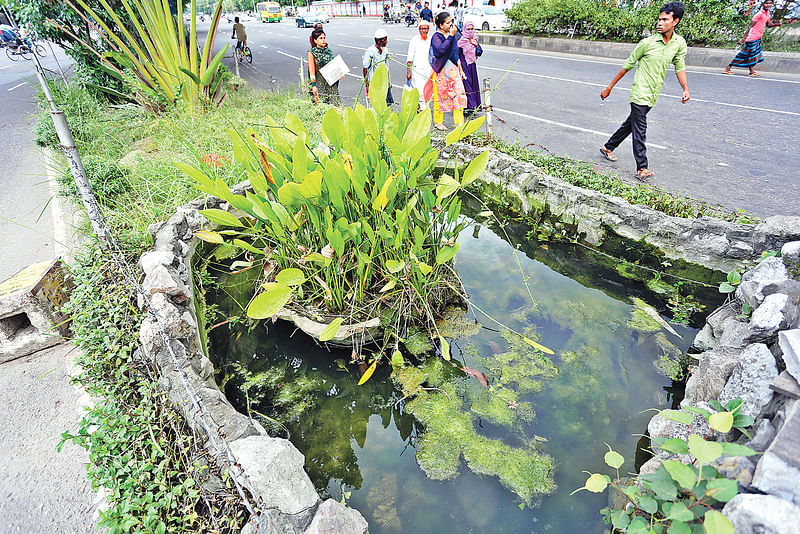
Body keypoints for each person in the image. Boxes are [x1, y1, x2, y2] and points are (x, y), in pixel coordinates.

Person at [598, 2, 690, 181]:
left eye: (665, 19)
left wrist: (685, 88)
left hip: (653, 94)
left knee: (630, 124)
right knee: (640, 128)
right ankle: (642, 168)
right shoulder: (646, 43)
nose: (660, 23)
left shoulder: (678, 43)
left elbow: (680, 66)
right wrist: (609, 87)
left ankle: (608, 147)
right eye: (659, 19)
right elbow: (627, 66)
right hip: (639, 93)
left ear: (675, 21)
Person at [724, 0, 782, 77]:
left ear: (772, 4)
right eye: (766, 3)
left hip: (758, 37)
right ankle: (751, 71)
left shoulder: (767, 13)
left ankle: (728, 68)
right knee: (752, 54)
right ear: (763, 4)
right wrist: (743, 39)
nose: (768, 5)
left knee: (745, 54)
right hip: (752, 37)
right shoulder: (759, 14)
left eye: (770, 3)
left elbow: (768, 24)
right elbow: (749, 27)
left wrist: (777, 24)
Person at [430, 11, 467, 130]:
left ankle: (459, 122)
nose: (451, 25)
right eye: (447, 23)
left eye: (451, 22)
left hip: (453, 70)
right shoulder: (436, 37)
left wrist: (460, 68)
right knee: (440, 97)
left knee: (458, 94)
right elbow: (440, 51)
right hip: (441, 71)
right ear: (441, 25)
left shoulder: (453, 35)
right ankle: (438, 122)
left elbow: (456, 54)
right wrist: (450, 36)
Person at [307, 28, 340, 106]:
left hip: (331, 84)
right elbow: (311, 72)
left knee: (335, 107)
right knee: (321, 107)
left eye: (324, 38)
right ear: (315, 40)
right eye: (321, 38)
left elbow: (334, 67)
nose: (323, 40)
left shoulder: (328, 51)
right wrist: (313, 85)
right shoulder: (312, 53)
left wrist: (339, 74)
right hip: (319, 85)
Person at [407, 20, 433, 110]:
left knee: (428, 88)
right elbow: (410, 56)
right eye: (422, 29)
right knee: (419, 88)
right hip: (417, 69)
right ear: (419, 29)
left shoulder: (431, 40)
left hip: (428, 68)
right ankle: (422, 107)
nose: (424, 31)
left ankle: (424, 105)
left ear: (428, 29)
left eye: (425, 28)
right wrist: (408, 71)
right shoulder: (414, 40)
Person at [458, 22, 483, 117]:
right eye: (468, 29)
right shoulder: (461, 41)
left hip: (472, 66)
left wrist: (476, 44)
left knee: (473, 85)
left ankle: (474, 106)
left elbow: (479, 53)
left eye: (472, 29)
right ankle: (468, 107)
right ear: (464, 29)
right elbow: (457, 55)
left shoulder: (474, 40)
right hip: (464, 65)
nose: (470, 31)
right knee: (466, 85)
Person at [363, 28, 394, 106]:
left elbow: (387, 66)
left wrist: (389, 82)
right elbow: (365, 68)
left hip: (385, 82)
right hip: (375, 83)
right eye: (385, 40)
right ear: (379, 41)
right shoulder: (370, 51)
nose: (387, 42)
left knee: (389, 104)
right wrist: (367, 85)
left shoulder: (385, 50)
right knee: (378, 105)